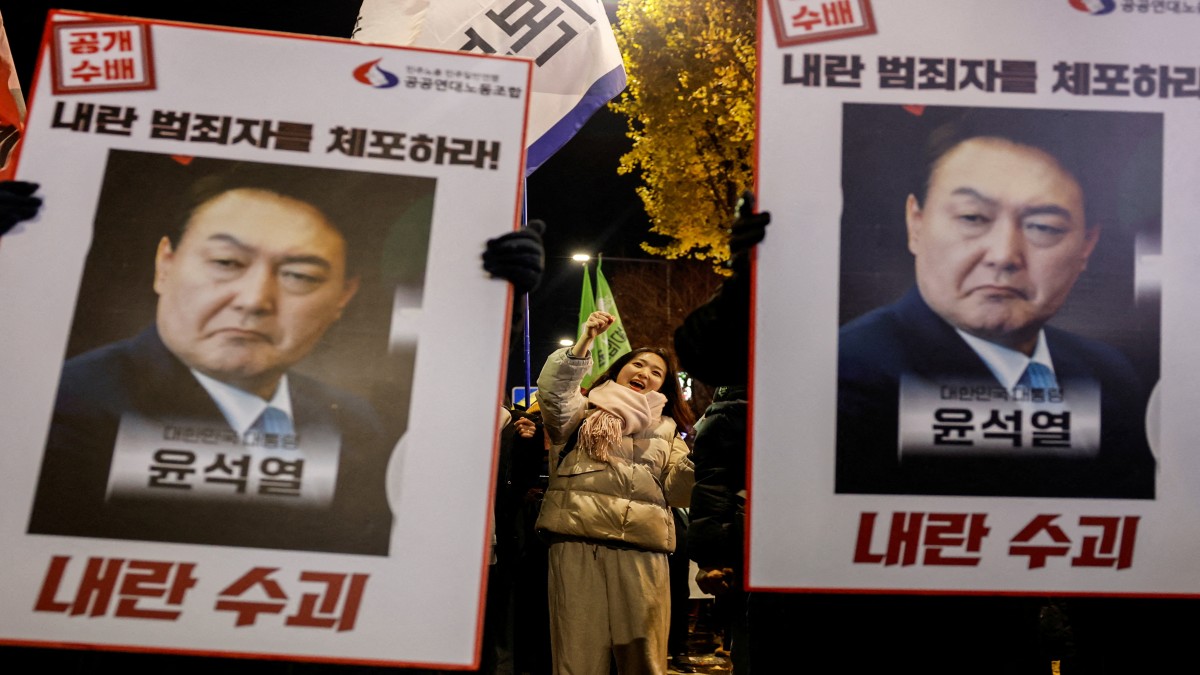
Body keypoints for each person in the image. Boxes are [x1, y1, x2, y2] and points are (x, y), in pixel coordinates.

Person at [27, 164, 545, 556]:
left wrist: (493, 304)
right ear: (165, 264)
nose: (255, 300)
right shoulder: (54, 410)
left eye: (299, 275)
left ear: (343, 296)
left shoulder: (359, 425)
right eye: (226, 262)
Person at [836, 110, 1156, 499]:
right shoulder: (850, 374)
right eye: (973, 218)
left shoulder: (1110, 376)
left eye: (1044, 227)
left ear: (1087, 246)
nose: (1004, 256)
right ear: (915, 224)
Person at [535, 310, 694, 675]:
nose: (645, 373)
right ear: (619, 370)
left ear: (663, 386)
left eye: (656, 372)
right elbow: (555, 393)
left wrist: (700, 459)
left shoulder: (668, 428)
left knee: (644, 661)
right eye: (638, 364)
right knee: (577, 660)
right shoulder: (580, 410)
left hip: (642, 551)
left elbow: (679, 492)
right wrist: (585, 340)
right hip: (577, 542)